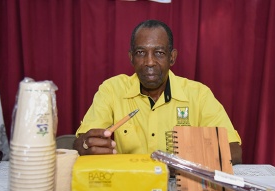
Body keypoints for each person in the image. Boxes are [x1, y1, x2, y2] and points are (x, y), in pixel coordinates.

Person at [73, 19, 242, 164]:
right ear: (131, 57)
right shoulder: (111, 90)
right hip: (130, 186)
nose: (150, 62)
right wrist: (87, 145)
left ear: (172, 57)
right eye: (141, 53)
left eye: (159, 53)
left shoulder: (198, 95)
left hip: (179, 187)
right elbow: (80, 143)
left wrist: (182, 164)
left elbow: (234, 151)